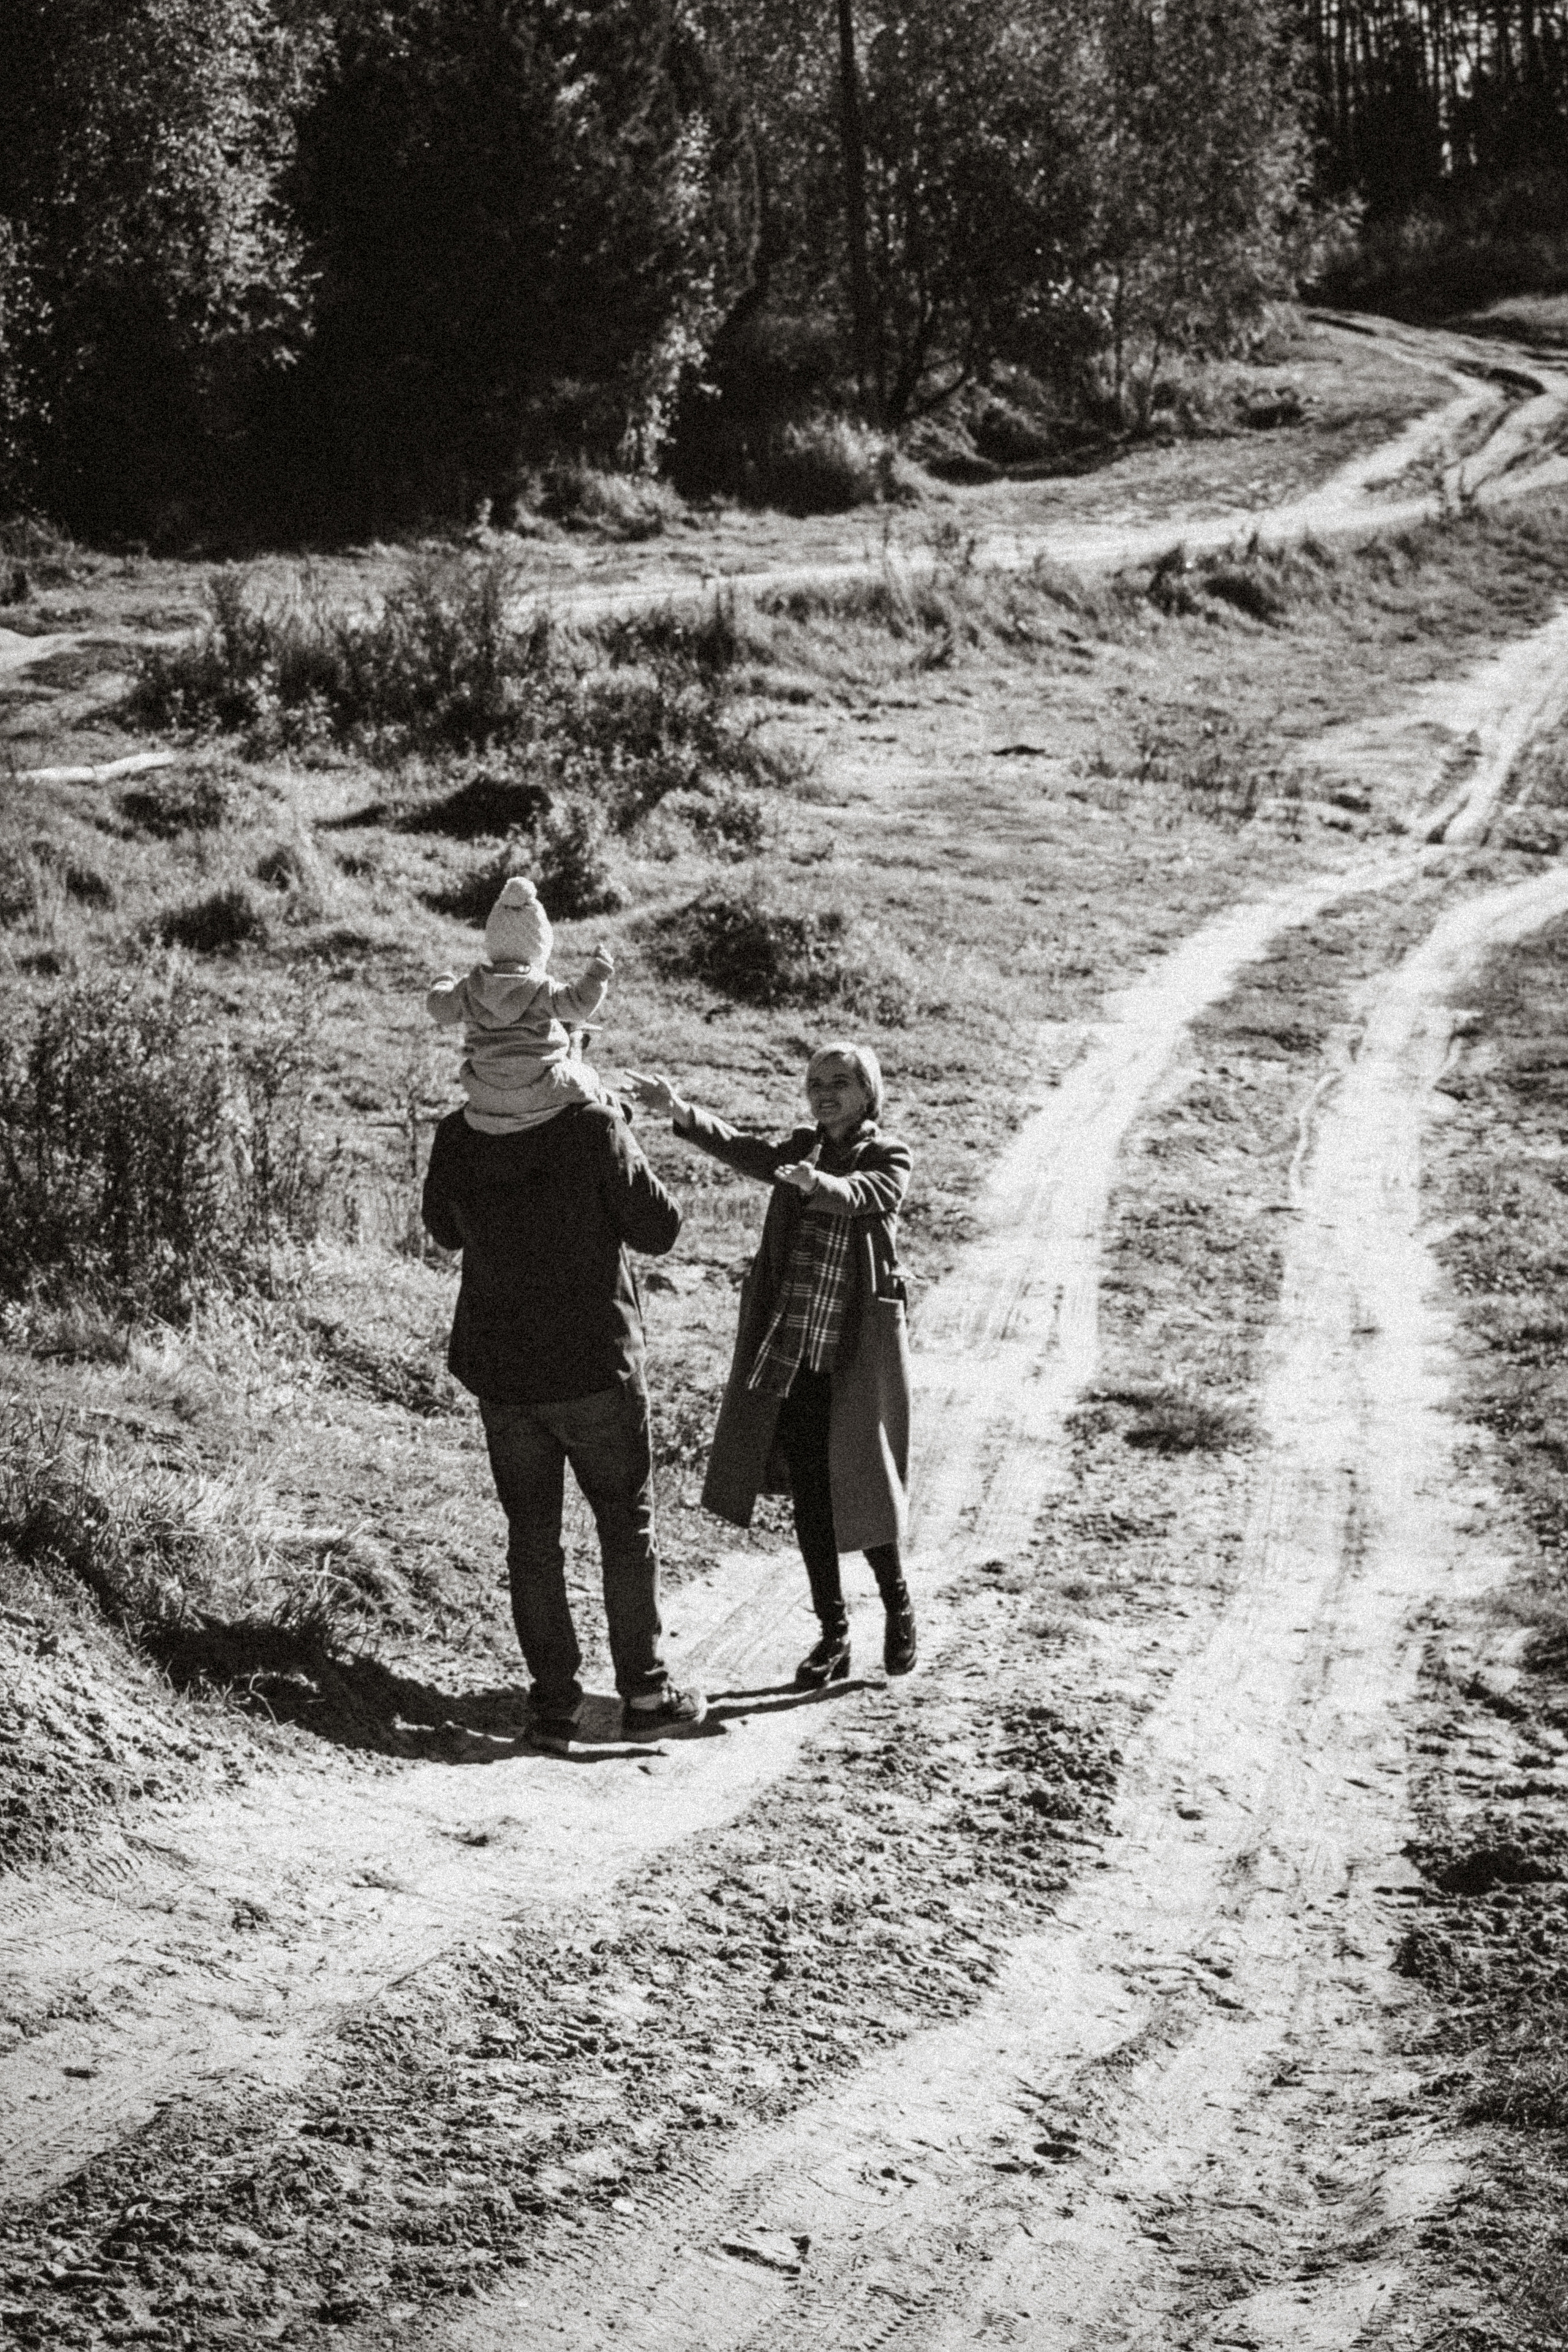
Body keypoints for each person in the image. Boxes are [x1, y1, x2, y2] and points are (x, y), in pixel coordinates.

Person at [420, 1084, 706, 1750]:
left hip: (504, 1369)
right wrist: (620, 1129)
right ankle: (645, 1693)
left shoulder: (459, 1132)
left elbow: (444, 1233)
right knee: (625, 1527)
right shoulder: (594, 1126)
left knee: (532, 1537)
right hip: (593, 1365)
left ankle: (553, 1708)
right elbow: (659, 1229)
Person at [627, 1044, 916, 1689]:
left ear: (868, 1093)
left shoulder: (888, 1154)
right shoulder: (800, 1147)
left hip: (851, 1355)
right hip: (793, 1351)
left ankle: (897, 1605)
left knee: (863, 1484)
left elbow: (869, 1194)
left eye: (840, 1082)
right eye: (815, 1083)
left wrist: (820, 1186)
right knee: (812, 1497)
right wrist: (680, 1110)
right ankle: (834, 1634)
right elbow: (745, 1150)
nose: (824, 1094)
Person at [426, 874, 616, 1133]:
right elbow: (579, 1004)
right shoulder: (541, 988)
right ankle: (617, 1115)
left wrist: (443, 983)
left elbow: (440, 1009)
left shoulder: (469, 987)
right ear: (540, 945)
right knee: (589, 1078)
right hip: (541, 1086)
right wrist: (596, 975)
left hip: (485, 1090)